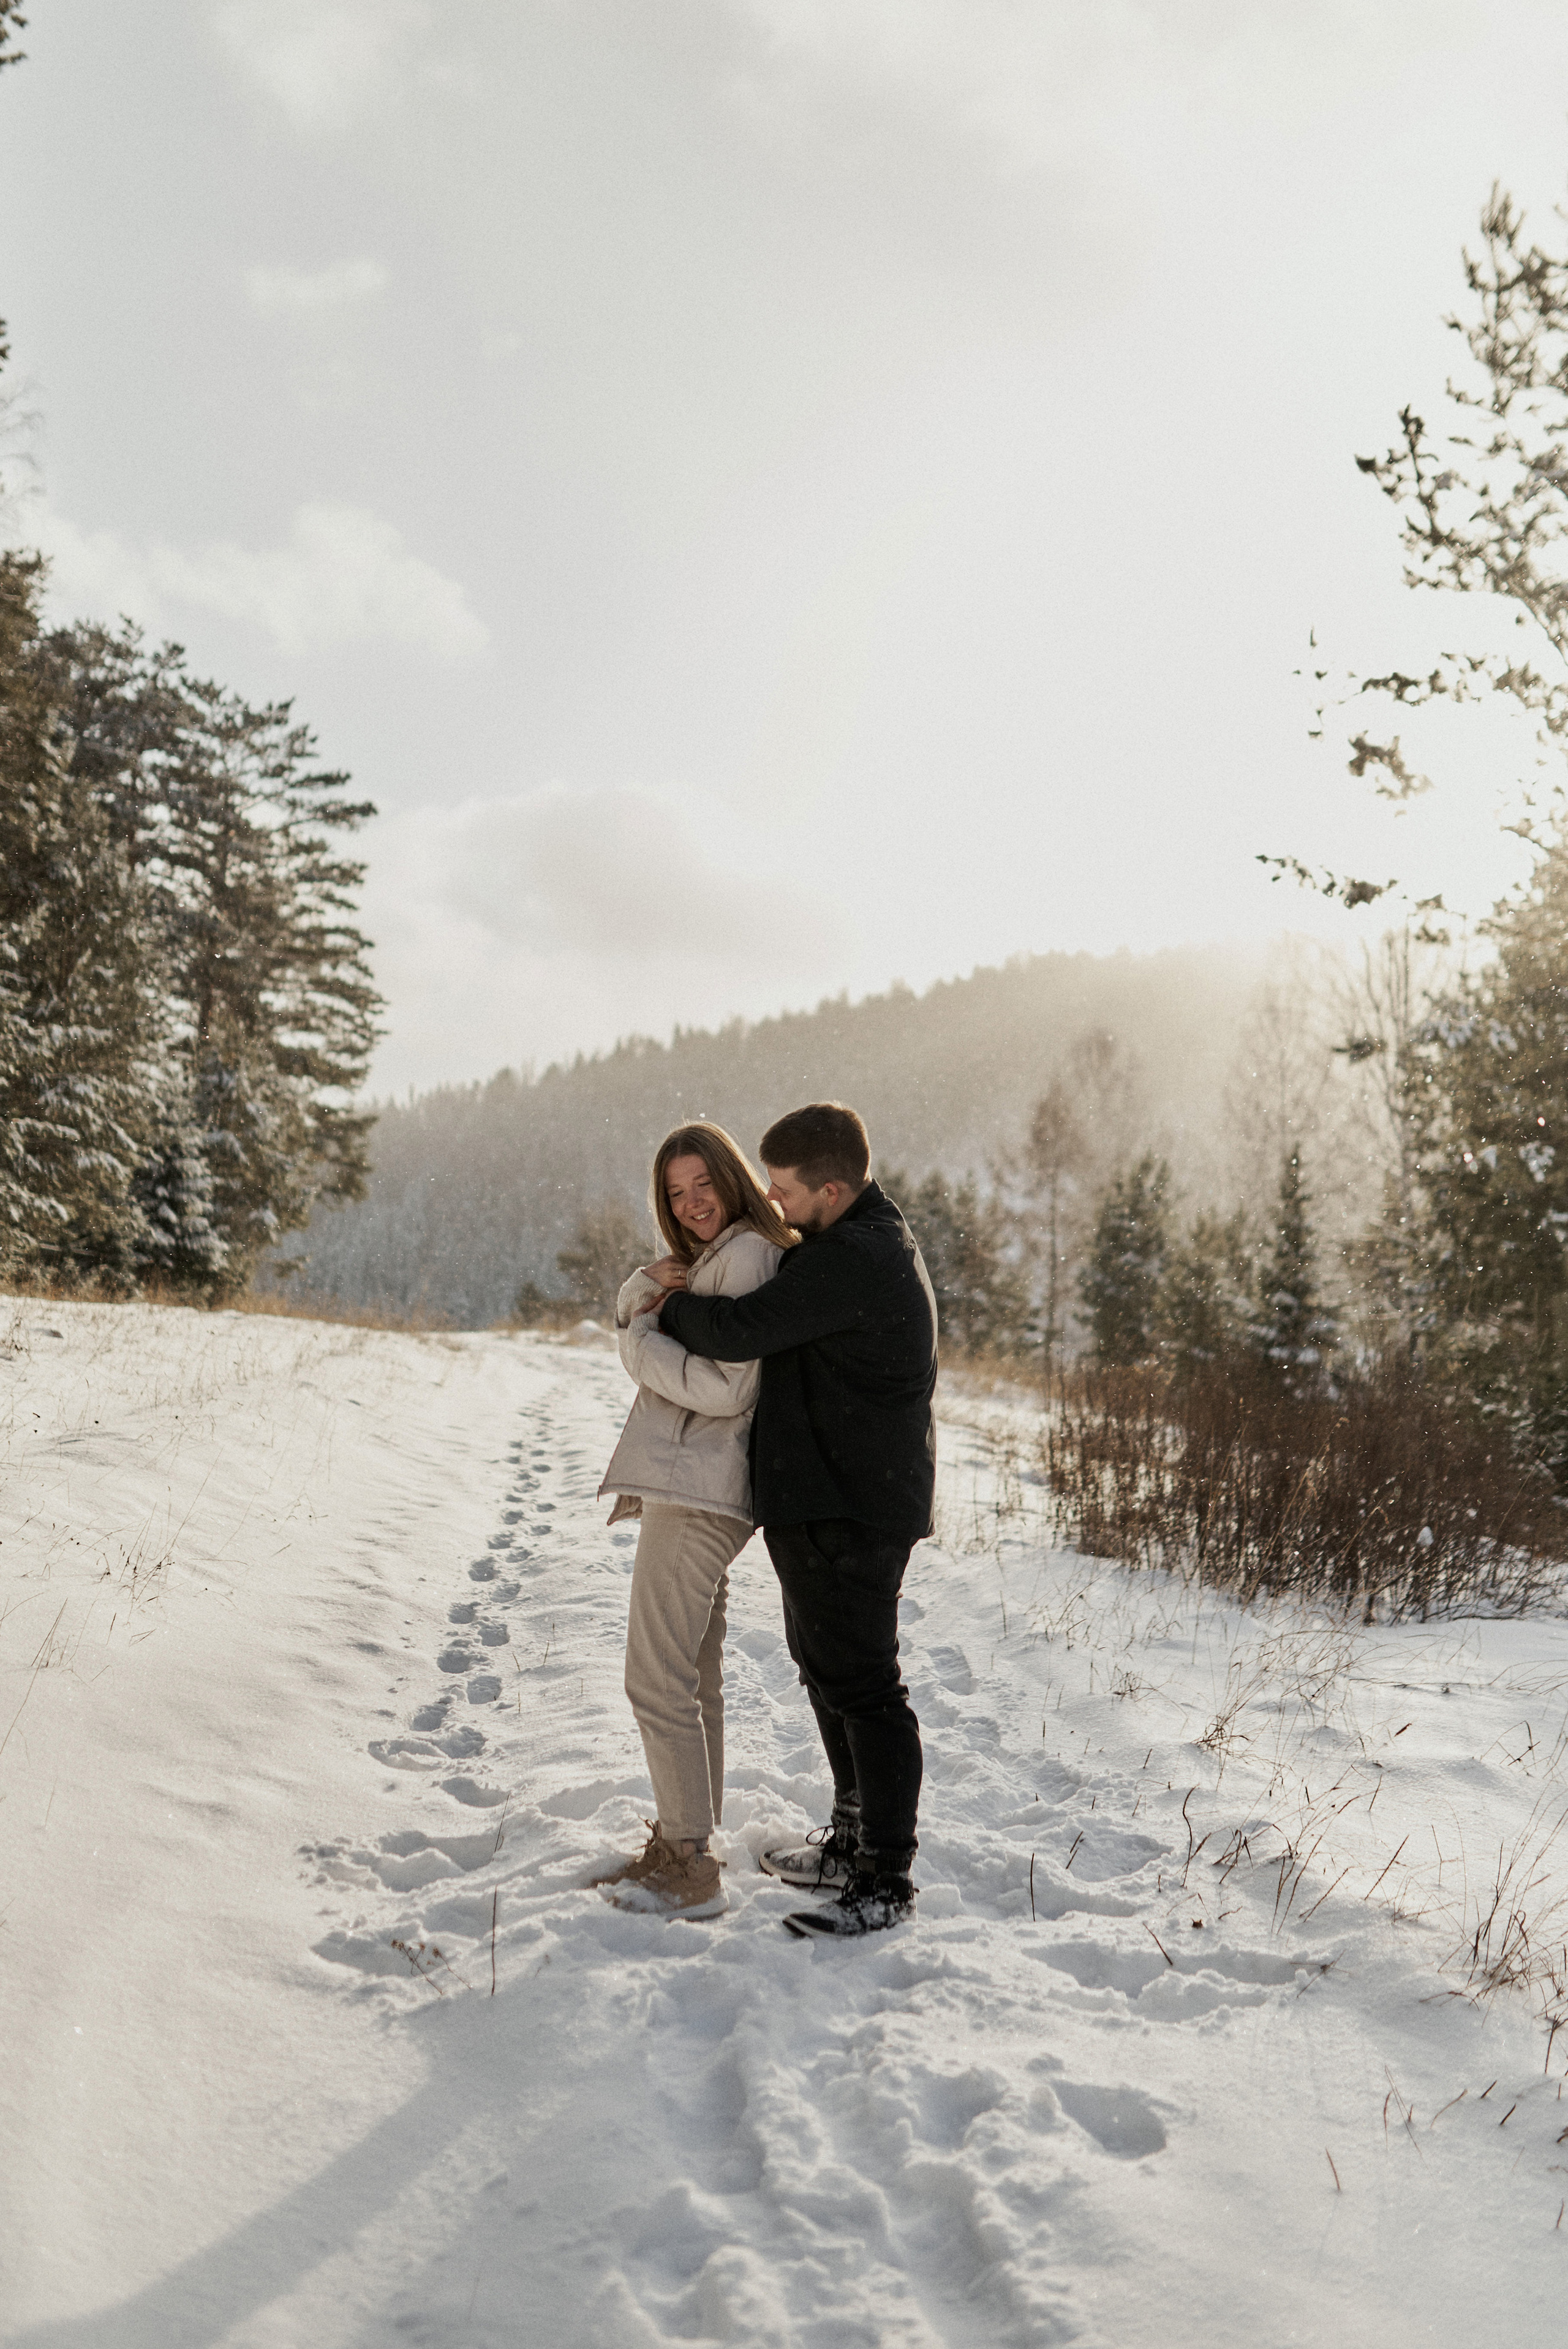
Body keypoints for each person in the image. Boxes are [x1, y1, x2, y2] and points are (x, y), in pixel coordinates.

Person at [647, 1100, 937, 1938]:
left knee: (867, 1687)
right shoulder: (851, 1240)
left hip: (853, 1502)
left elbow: (740, 1331)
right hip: (828, 1496)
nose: (769, 1202)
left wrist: (668, 1310)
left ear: (834, 1189)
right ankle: (852, 1843)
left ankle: (885, 1875)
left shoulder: (856, 1256)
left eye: (782, 1190)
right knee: (828, 1671)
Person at [592, 1120, 796, 1918]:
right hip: (702, 1481)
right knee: (691, 1670)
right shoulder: (720, 1258)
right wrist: (641, 1300)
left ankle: (685, 1858)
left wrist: (639, 1336)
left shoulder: (745, 1256)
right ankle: (689, 1839)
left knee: (654, 1675)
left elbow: (726, 1388)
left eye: (702, 1184)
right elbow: (647, 1306)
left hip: (701, 1486)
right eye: (676, 1193)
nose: (691, 1202)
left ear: (730, 1176)